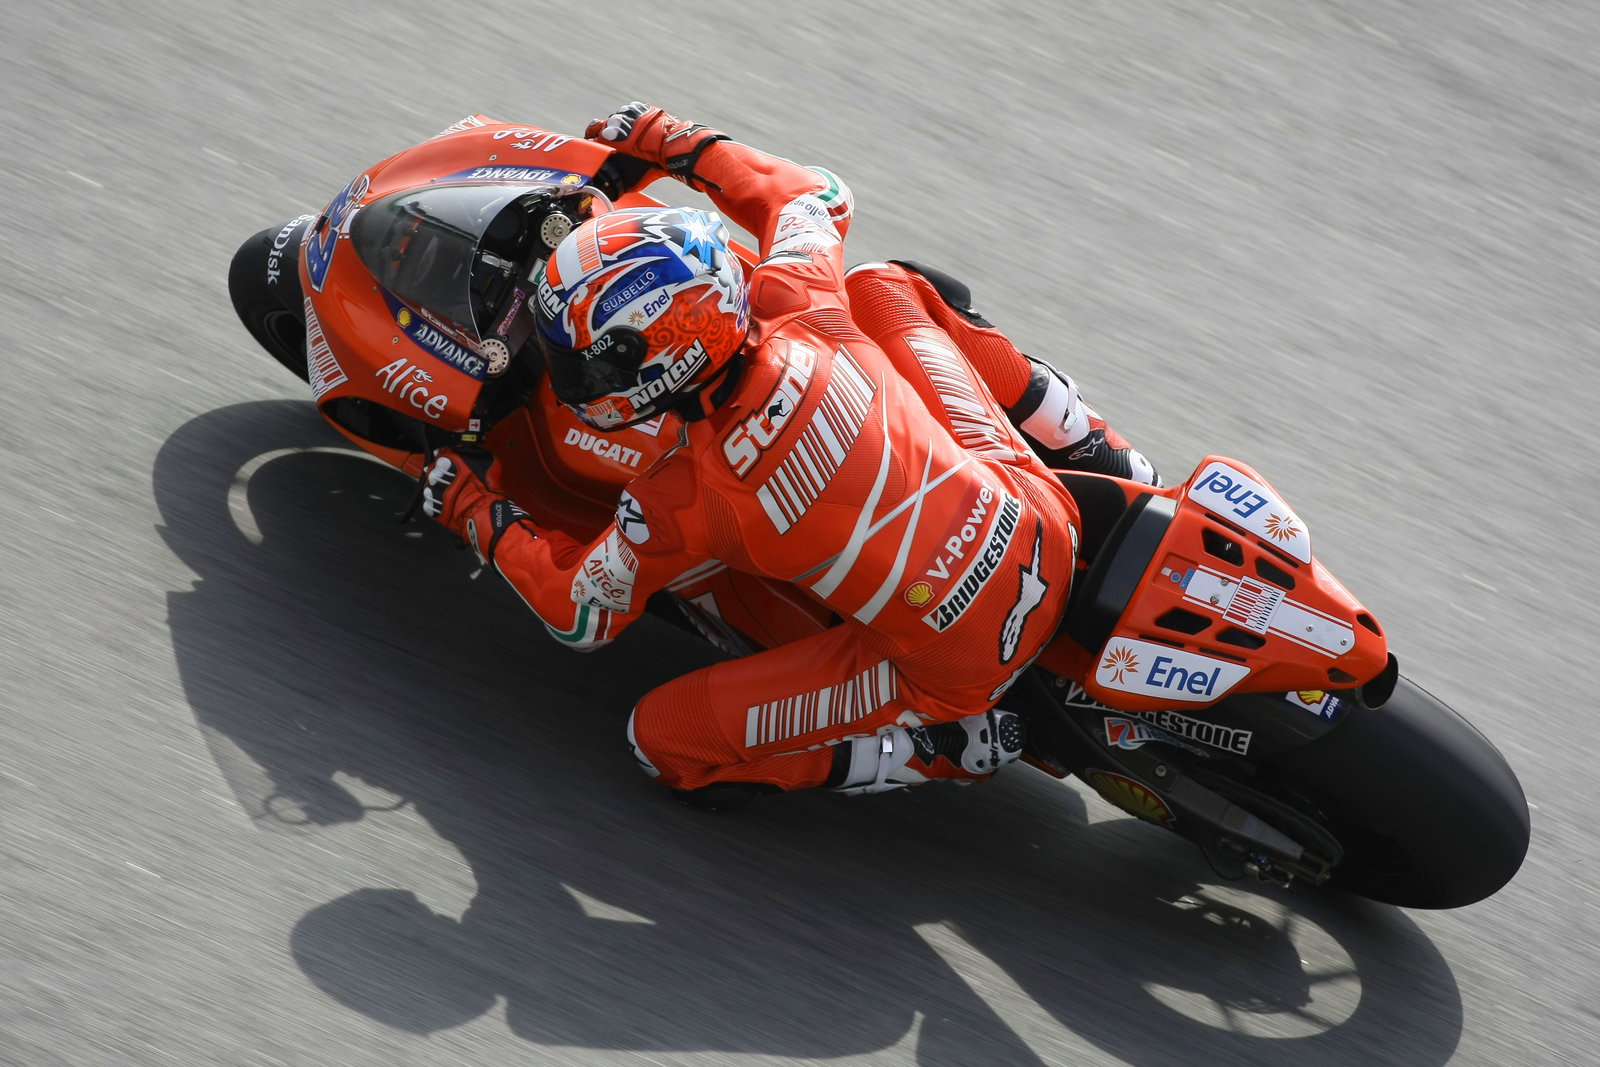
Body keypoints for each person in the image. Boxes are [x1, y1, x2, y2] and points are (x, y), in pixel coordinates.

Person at [422, 103, 1158, 807]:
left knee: (664, 744)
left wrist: (472, 508)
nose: (571, 373)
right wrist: (671, 137)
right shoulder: (796, 296)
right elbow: (816, 192)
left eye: (583, 360)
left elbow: (579, 615)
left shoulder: (679, 497)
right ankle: (1098, 451)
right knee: (886, 288)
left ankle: (941, 746)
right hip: (1045, 520)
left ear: (659, 363)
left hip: (956, 668)